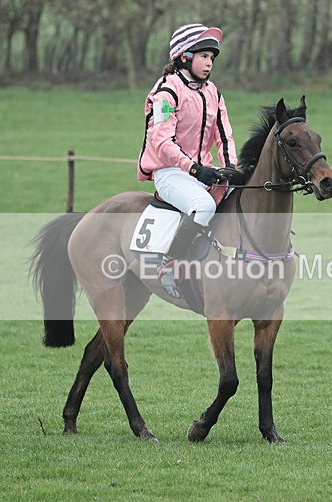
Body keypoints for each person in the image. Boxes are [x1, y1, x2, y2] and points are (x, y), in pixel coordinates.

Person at [137, 23, 238, 298]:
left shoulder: (213, 91)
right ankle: (168, 264)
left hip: (201, 169)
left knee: (242, 191)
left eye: (212, 58)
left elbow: (224, 135)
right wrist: (194, 169)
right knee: (203, 205)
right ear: (185, 57)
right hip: (169, 172)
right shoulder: (166, 92)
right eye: (204, 56)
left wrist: (231, 169)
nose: (209, 64)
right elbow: (161, 142)